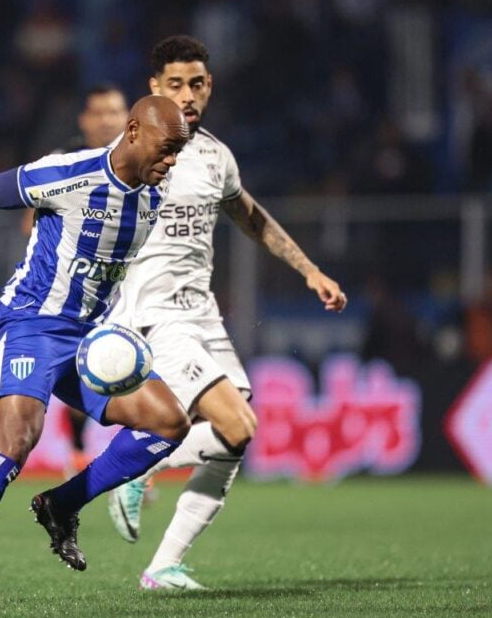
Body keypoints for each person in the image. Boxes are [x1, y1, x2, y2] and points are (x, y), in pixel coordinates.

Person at [0, 95, 192, 606]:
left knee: (170, 423)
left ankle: (62, 505)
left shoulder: (157, 194)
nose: (172, 160)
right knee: (17, 438)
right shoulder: (69, 174)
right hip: (31, 324)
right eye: (167, 148)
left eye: (180, 151)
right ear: (134, 131)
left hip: (91, 341)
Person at [107, 36, 347, 590]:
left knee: (235, 440)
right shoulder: (132, 151)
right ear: (153, 89)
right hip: (155, 316)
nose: (187, 95)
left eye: (196, 84)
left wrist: (309, 270)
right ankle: (138, 466)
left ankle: (163, 566)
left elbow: (251, 217)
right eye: (175, 85)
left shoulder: (216, 155)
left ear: (208, 87)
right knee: (237, 425)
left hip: (202, 314)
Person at [23, 84, 130, 477]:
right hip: (73, 289)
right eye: (98, 113)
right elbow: (27, 221)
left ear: (128, 120)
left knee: (135, 371)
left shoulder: (141, 165)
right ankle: (80, 454)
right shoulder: (64, 161)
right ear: (84, 121)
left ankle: (132, 467)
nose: (106, 121)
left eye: (114, 112)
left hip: (127, 286)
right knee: (80, 371)